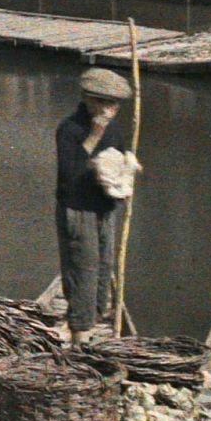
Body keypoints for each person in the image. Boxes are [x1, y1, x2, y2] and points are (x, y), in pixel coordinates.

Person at [55, 66, 134, 344]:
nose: (110, 110)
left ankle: (95, 327)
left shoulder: (114, 130)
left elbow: (122, 159)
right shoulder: (70, 129)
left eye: (115, 104)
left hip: (104, 209)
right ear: (89, 99)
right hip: (79, 211)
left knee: (103, 273)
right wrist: (96, 134)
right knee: (83, 273)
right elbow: (71, 174)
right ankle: (79, 340)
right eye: (105, 102)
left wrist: (126, 178)